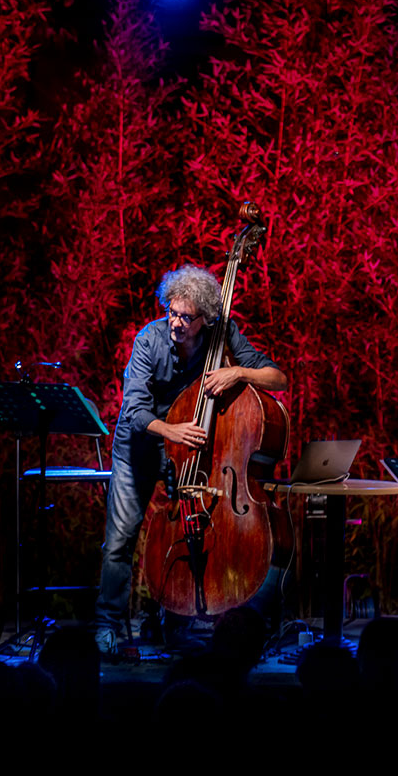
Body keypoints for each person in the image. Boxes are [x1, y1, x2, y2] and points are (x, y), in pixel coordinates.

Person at [94, 265, 287, 658]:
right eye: (172, 312)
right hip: (140, 447)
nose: (177, 323)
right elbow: (133, 410)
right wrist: (172, 429)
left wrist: (237, 371)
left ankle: (174, 626)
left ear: (206, 318)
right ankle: (106, 625)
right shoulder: (149, 340)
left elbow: (277, 377)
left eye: (187, 317)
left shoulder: (222, 333)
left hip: (190, 455)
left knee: (188, 533)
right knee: (121, 540)